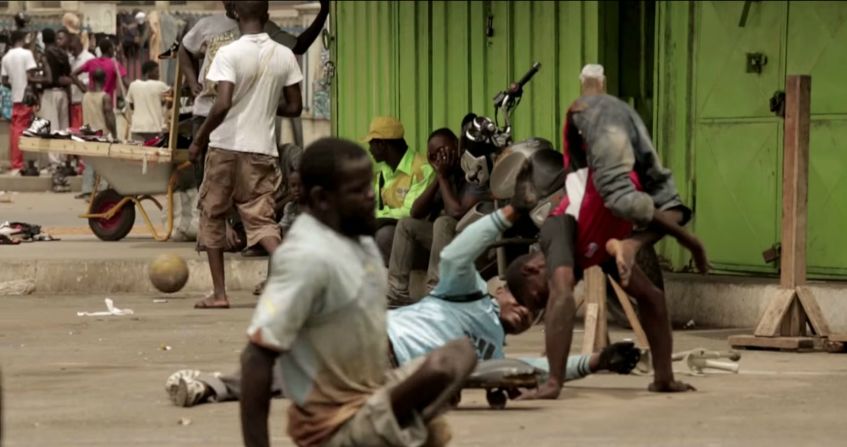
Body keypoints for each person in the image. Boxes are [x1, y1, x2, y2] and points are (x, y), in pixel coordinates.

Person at [165, 200, 640, 407]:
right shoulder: (468, 289)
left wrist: (594, 361)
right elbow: (456, 250)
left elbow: (539, 365)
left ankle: (211, 388)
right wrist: (508, 212)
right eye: (523, 304)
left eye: (534, 316)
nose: (527, 315)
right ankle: (215, 385)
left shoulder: (495, 354)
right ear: (504, 287)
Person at [239, 137, 474, 447]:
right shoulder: (306, 257)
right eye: (358, 191)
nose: (369, 198)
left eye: (368, 187)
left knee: (460, 352)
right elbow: (256, 358)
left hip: (373, 393)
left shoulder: (361, 242)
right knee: (440, 372)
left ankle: (395, 424)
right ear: (323, 199)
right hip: (334, 424)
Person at [504, 75, 710, 399]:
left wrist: (553, 381)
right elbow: (651, 298)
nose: (548, 302)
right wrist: (664, 376)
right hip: (635, 169)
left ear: (532, 269)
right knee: (667, 242)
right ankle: (663, 377)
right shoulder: (595, 256)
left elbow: (561, 291)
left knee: (622, 198)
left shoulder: (555, 228)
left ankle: (591, 88)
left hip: (601, 147)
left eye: (537, 297)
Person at [189, 0, 303, 310]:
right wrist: (263, 105)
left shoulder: (228, 53)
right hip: (261, 151)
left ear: (234, 13)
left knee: (212, 216)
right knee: (261, 220)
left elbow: (223, 103)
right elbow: (294, 107)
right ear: (267, 14)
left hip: (225, 146)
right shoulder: (284, 54)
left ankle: (219, 294)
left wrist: (198, 140)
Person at [387, 128, 487, 306]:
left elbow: (456, 213)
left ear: (456, 146)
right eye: (434, 156)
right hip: (450, 243)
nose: (440, 158)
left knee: (443, 222)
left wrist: (442, 177)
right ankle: (397, 293)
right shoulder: (445, 175)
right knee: (405, 225)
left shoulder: (475, 171)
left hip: (477, 246)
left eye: (443, 151)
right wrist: (438, 176)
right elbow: (416, 212)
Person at [366, 116, 435, 265]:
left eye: (372, 143)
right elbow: (377, 207)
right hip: (395, 236)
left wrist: (377, 219)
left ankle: (397, 286)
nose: (369, 149)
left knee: (384, 235)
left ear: (382, 144)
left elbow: (410, 213)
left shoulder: (422, 169)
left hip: (421, 240)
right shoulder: (385, 172)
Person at [1, 30, 39, 174]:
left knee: (15, 128)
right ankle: (18, 163)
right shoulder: (27, 54)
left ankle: (15, 162)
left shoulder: (6, 57)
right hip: (26, 97)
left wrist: (14, 84)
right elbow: (31, 75)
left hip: (15, 97)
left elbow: (4, 80)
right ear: (22, 39)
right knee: (20, 129)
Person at [76, 69, 117, 200]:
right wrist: (115, 134)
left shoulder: (86, 96)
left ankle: (87, 190)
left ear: (92, 79)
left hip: (87, 134)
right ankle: (102, 191)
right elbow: (109, 118)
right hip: (101, 134)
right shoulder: (105, 97)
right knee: (104, 164)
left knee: (89, 164)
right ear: (105, 79)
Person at [39, 28, 72, 168]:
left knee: (52, 128)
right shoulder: (63, 53)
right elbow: (67, 74)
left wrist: (34, 79)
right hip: (63, 93)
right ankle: (64, 158)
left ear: (43, 40)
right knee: (63, 127)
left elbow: (48, 77)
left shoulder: (45, 54)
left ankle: (54, 162)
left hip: (50, 93)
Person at [73, 38, 128, 104]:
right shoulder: (114, 64)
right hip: (106, 102)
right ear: (110, 49)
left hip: (91, 101)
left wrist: (84, 89)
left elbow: (73, 74)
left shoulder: (91, 62)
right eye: (113, 48)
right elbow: (126, 82)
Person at [126, 60, 169, 142]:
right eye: (157, 72)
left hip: (137, 128)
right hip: (154, 129)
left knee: (138, 152)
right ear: (149, 73)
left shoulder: (133, 85)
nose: (159, 75)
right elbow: (169, 103)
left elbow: (132, 106)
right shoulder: (161, 85)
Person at [68, 34, 95, 130]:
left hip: (83, 102)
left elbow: (91, 80)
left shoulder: (89, 58)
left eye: (72, 41)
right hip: (72, 101)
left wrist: (74, 81)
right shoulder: (71, 59)